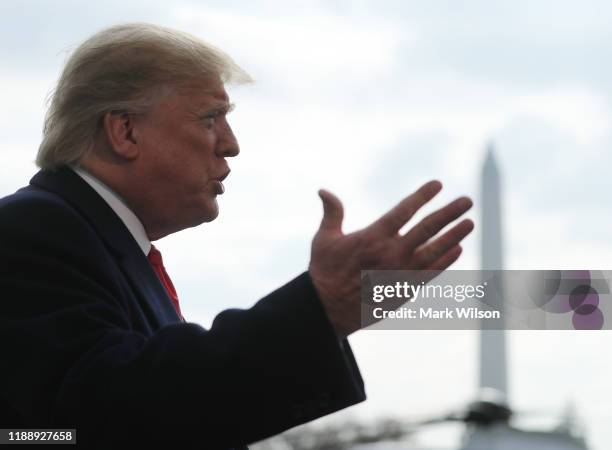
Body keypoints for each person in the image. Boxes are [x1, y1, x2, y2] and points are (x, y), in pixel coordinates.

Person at [0, 23, 474, 449]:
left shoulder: (90, 238)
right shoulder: (32, 230)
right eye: (210, 118)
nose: (231, 143)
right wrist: (320, 308)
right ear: (124, 131)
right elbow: (92, 423)